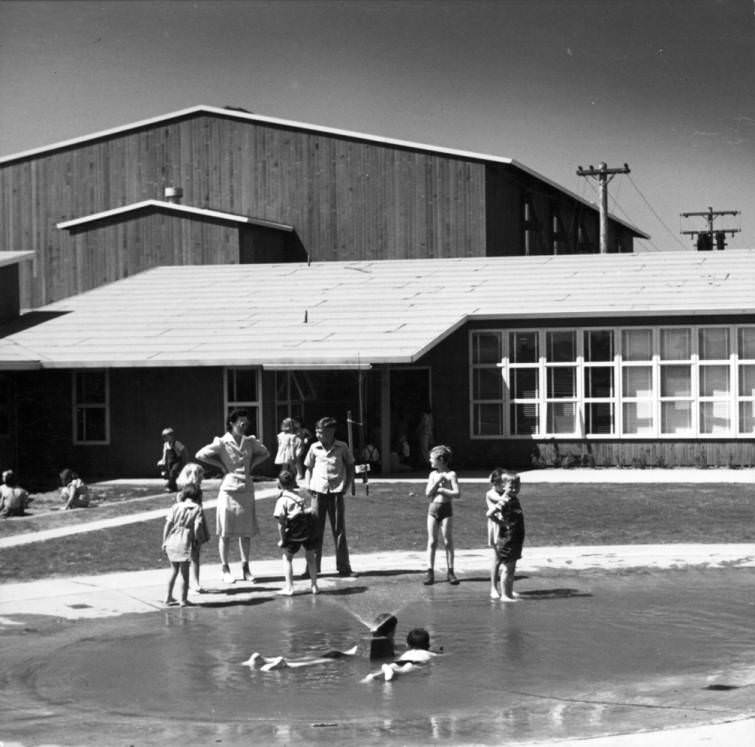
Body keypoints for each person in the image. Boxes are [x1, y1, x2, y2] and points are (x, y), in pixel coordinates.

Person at [195, 408, 270, 584]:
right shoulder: (222, 441)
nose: (244, 425)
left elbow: (265, 453)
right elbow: (200, 454)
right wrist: (220, 465)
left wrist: (251, 465)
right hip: (228, 491)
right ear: (232, 423)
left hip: (246, 490)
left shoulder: (250, 441)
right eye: (240, 422)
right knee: (225, 532)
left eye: (246, 421)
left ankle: (246, 568)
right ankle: (225, 568)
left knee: (246, 533)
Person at [304, 416, 356, 577]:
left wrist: (346, 486)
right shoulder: (314, 448)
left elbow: (350, 467)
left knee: (339, 530)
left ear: (331, 432)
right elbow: (308, 468)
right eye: (317, 432)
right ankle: (312, 568)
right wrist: (308, 485)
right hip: (318, 492)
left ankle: (344, 567)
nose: (318, 435)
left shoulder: (342, 447)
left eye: (322, 432)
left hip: (336, 493)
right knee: (315, 531)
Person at [273, 470, 319, 596]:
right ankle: (314, 585)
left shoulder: (282, 500)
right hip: (307, 532)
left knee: (287, 558)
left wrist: (283, 539)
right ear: (294, 482)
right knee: (310, 558)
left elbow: (281, 524)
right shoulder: (300, 496)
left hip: (294, 534)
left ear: (280, 484)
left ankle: (289, 587)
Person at [162, 483, 205, 607]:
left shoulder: (175, 506)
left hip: (172, 540)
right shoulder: (197, 508)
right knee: (184, 573)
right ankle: (183, 599)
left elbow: (168, 525)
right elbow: (197, 527)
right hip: (185, 542)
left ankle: (168, 597)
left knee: (173, 570)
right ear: (197, 496)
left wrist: (164, 541)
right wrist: (197, 540)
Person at [485, 468, 525, 601]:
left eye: (516, 486)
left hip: (513, 534)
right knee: (501, 562)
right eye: (510, 486)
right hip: (501, 532)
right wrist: (501, 523)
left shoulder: (512, 498)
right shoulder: (495, 495)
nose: (514, 489)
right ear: (501, 484)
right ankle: (498, 591)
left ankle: (508, 591)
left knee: (510, 565)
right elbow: (491, 513)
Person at [423, 444, 460, 586]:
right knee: (432, 541)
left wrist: (443, 490)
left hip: (446, 509)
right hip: (433, 509)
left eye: (432, 458)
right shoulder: (433, 475)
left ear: (441, 460)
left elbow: (457, 493)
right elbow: (428, 493)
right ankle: (430, 571)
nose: (430, 460)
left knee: (447, 541)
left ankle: (451, 571)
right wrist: (438, 482)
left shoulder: (451, 475)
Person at [176, 462, 211, 592]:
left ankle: (194, 582)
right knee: (190, 555)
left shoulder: (191, 491)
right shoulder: (188, 493)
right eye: (201, 475)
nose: (203, 478)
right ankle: (191, 582)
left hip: (192, 525)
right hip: (190, 526)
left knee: (194, 554)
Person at [361, 627, 439, 682]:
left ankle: (372, 676)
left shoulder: (406, 652)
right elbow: (436, 658)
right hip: (416, 662)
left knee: (393, 665)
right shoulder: (429, 653)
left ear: (407, 645)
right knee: (405, 669)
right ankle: (394, 671)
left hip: (402, 659)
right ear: (427, 644)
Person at [243, 645, 359, 672]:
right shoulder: (351, 654)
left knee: (310, 659)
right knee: (314, 661)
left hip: (332, 653)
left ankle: (265, 660)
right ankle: (283, 664)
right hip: (337, 655)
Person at [156, 427, 187, 492]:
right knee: (171, 474)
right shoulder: (165, 444)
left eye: (166, 436)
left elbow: (184, 451)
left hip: (177, 461)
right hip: (170, 462)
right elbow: (164, 453)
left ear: (171, 436)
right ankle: (174, 487)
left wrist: (185, 461)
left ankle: (169, 485)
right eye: (163, 436)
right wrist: (163, 461)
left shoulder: (176, 443)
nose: (164, 438)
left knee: (173, 472)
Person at [292, 418, 312, 483]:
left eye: (296, 423)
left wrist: (306, 438)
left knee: (297, 457)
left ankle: (300, 474)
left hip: (301, 445)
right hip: (295, 445)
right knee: (296, 459)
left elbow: (310, 435)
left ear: (300, 423)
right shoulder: (294, 430)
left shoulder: (304, 430)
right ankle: (298, 473)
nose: (295, 424)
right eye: (294, 423)